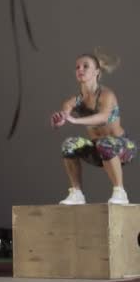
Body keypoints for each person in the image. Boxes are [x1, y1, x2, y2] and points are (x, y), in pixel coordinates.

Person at [51, 49, 137, 205]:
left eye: (85, 66)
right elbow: (65, 114)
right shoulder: (74, 101)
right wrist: (59, 121)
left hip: (123, 147)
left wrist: (75, 121)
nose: (80, 70)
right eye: (77, 67)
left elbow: (103, 117)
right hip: (98, 150)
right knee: (69, 145)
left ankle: (120, 191)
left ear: (97, 71)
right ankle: (76, 193)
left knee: (106, 143)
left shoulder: (107, 95)